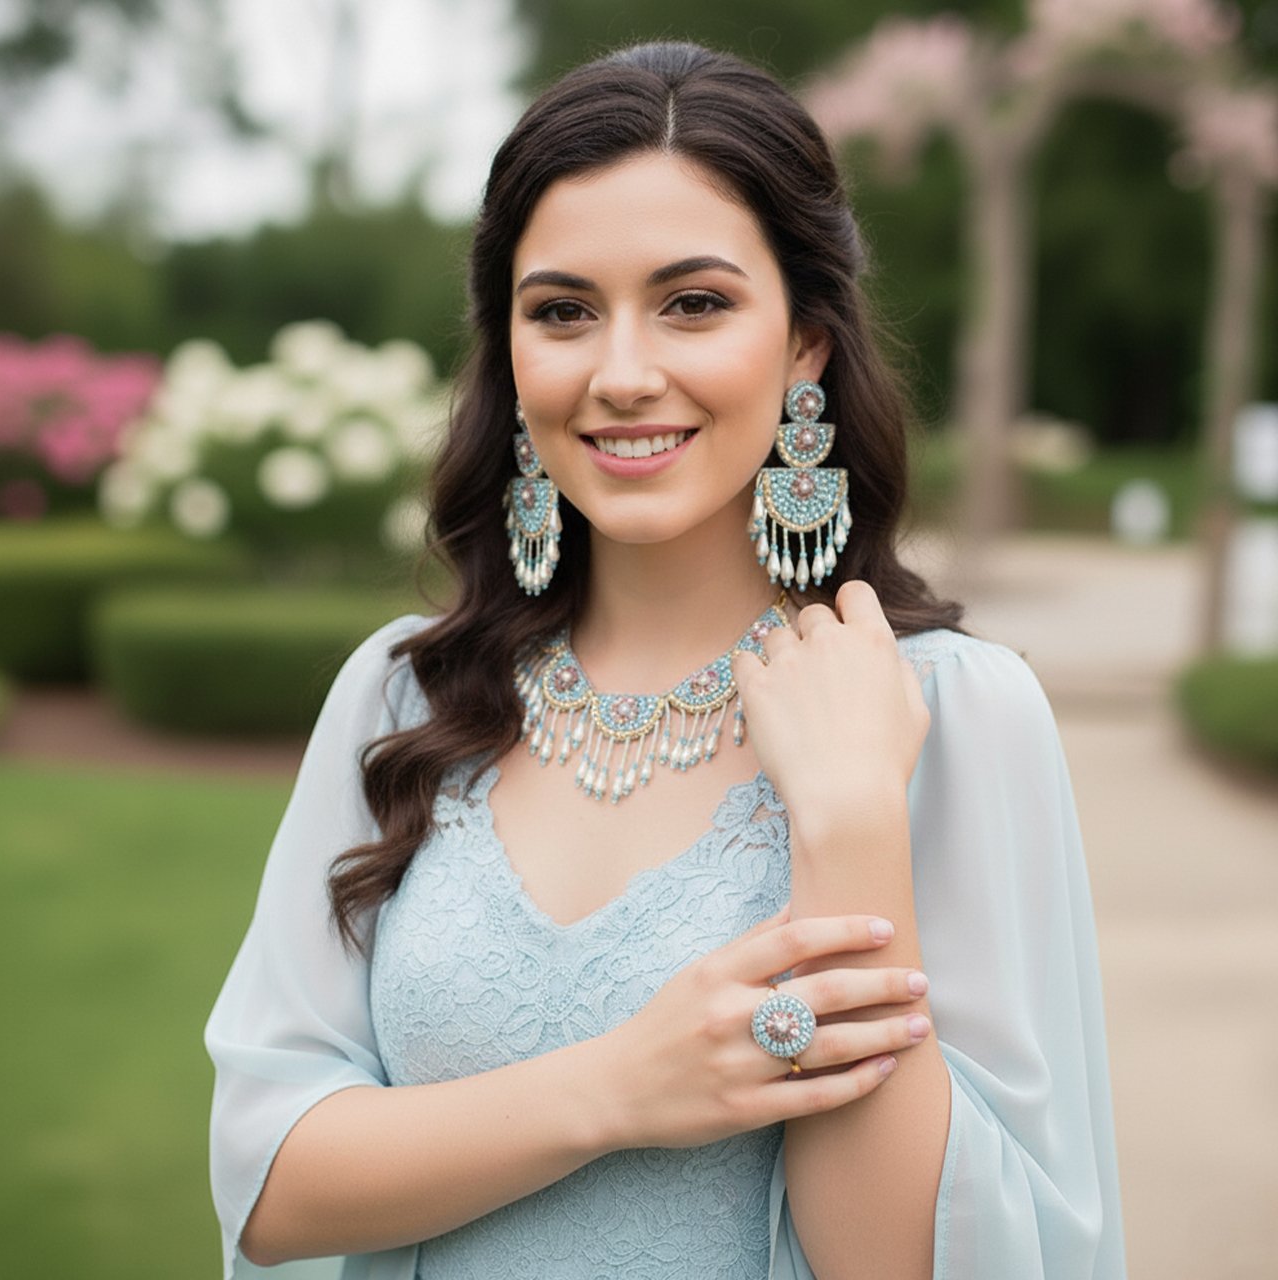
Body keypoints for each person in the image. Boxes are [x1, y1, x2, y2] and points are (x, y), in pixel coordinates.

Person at [206, 41, 1126, 1280]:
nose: (622, 375)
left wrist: (849, 821)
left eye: (692, 303)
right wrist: (618, 1087)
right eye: (562, 311)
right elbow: (268, 1179)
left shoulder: (952, 713)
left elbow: (901, 1262)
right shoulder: (400, 694)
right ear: (509, 348)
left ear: (804, 343)